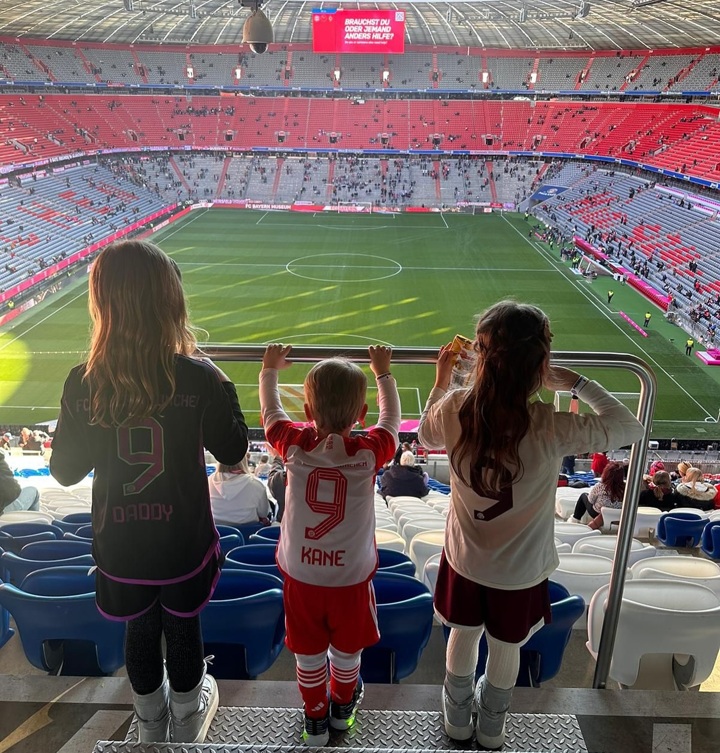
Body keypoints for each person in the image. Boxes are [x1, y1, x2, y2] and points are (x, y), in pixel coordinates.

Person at [417, 300, 643, 749]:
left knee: (463, 632)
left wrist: (444, 380)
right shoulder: (550, 426)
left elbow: (424, 435)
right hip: (521, 569)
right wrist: (576, 382)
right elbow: (629, 427)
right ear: (541, 365)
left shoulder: (455, 408)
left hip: (465, 559)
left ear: (481, 358)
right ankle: (492, 725)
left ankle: (457, 715)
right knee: (506, 645)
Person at [49, 240, 248, 745]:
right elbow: (233, 450)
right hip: (182, 539)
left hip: (120, 542)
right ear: (170, 302)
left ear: (103, 303)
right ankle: (186, 719)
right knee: (182, 627)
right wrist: (221, 382)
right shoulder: (197, 377)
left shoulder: (83, 382)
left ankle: (150, 723)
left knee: (138, 629)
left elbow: (65, 472)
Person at [259, 343, 400, 746]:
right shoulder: (369, 452)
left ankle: (315, 717)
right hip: (350, 577)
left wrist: (269, 369)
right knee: (348, 649)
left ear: (307, 412)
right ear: (362, 414)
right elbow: (392, 420)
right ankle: (342, 709)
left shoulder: (294, 444)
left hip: (301, 574)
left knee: (307, 652)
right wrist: (383, 371)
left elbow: (270, 413)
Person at [209, 457, 272, 526]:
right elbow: (263, 513)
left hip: (214, 530)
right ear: (243, 460)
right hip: (249, 531)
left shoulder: (208, 481)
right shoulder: (256, 485)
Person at [569, 461, 626, 529]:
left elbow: (591, 500)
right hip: (617, 515)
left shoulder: (600, 486)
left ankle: (575, 519)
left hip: (597, 513)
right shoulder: (626, 488)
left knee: (583, 496)